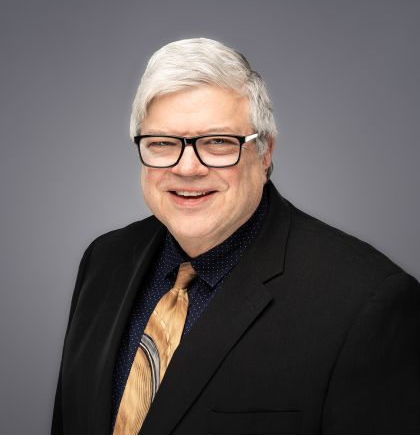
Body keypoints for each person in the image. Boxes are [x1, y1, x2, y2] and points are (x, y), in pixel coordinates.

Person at [52, 38, 420, 435]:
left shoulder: (367, 303)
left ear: (265, 153)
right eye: (162, 143)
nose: (187, 168)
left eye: (217, 142)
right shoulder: (104, 261)